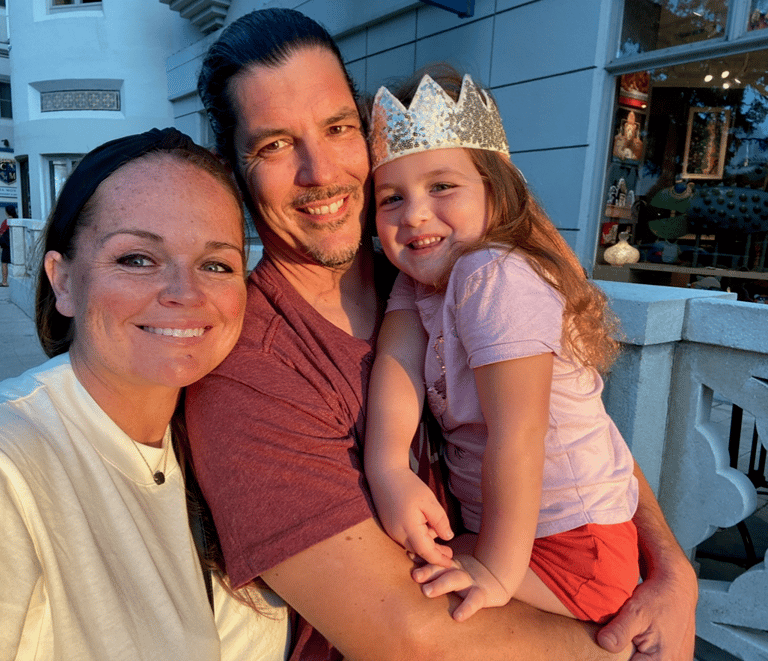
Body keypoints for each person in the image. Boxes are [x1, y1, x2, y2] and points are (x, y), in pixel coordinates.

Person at [186, 8, 698, 661]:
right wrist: (624, 651)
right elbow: (415, 638)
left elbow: (566, 423)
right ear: (235, 170)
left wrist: (672, 571)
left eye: (338, 128)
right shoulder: (249, 368)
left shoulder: (456, 275)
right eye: (275, 145)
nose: (319, 170)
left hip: (562, 552)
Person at [0, 128, 290, 660]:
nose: (185, 293)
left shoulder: (227, 444)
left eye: (216, 264)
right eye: (137, 258)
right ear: (62, 282)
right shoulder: (12, 464)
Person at [364, 68, 640, 626]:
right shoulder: (421, 281)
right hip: (524, 536)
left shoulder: (493, 273)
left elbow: (519, 431)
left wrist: (493, 567)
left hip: (574, 546)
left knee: (402, 594)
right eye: (391, 197)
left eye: (442, 186)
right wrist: (388, 466)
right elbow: (397, 368)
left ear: (496, 190)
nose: (414, 214)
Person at [0, 204, 13, 286]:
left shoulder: (6, 222)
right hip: (15, 245)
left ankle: (4, 281)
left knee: (4, 263)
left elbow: (1, 233)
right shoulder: (17, 219)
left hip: (6, 246)